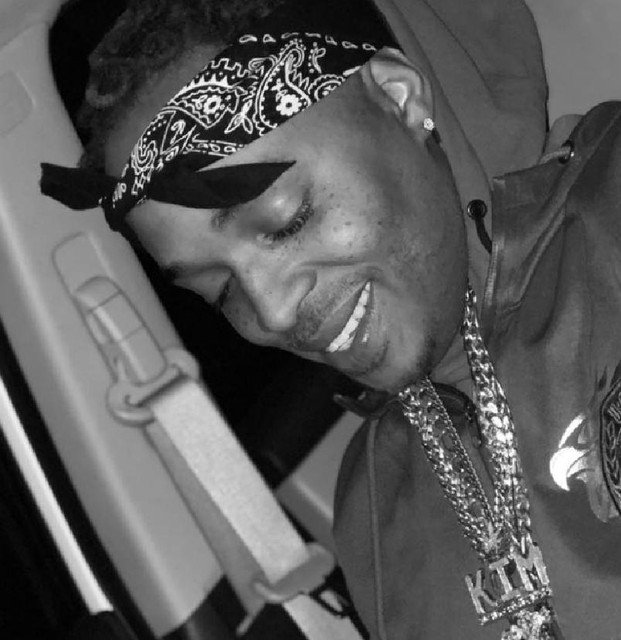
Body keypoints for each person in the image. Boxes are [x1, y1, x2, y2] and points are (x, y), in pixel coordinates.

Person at [40, 0, 621, 638]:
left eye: (287, 221)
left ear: (399, 97)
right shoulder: (374, 507)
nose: (272, 311)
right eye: (220, 290)